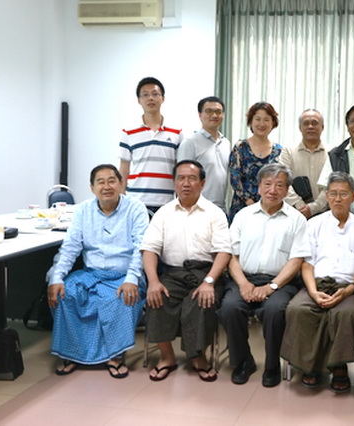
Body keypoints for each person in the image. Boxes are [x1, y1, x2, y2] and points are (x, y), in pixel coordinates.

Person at [47, 164, 149, 378]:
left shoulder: (135, 208)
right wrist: (57, 277)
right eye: (100, 182)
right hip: (92, 273)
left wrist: (132, 279)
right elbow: (70, 247)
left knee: (120, 298)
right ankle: (73, 354)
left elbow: (141, 249)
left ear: (121, 184)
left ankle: (114, 356)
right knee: (66, 293)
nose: (107, 186)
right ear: (92, 188)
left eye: (112, 181)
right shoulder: (83, 210)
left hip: (124, 274)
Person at [217, 163, 311, 388]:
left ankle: (272, 366)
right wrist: (243, 284)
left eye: (279, 185)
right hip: (244, 278)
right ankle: (243, 362)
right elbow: (231, 255)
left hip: (281, 281)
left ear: (287, 190)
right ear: (259, 187)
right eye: (267, 184)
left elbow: (296, 260)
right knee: (230, 308)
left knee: (275, 310)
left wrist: (272, 287)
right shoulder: (243, 215)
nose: (273, 190)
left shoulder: (297, 219)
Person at [281, 172, 354, 393]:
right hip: (316, 284)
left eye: (343, 194)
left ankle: (338, 366)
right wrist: (313, 292)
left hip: (349, 289)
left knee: (345, 314)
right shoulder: (314, 224)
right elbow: (307, 264)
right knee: (298, 309)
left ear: (353, 196)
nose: (338, 199)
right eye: (333, 194)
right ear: (327, 195)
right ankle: (309, 365)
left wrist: (348, 291)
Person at [140, 160, 232, 382]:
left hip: (206, 272)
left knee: (201, 302)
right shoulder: (164, 213)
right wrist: (153, 281)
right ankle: (167, 357)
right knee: (157, 298)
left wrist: (209, 282)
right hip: (173, 273)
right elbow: (149, 248)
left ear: (202, 183)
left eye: (192, 178)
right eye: (181, 178)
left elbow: (224, 252)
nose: (186, 183)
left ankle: (197, 357)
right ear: (174, 183)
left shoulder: (214, 213)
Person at [118, 77, 183, 213]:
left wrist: (180, 200)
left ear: (163, 98)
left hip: (166, 202)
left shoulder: (177, 133)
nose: (150, 98)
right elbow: (124, 170)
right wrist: (121, 200)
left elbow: (180, 170)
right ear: (139, 100)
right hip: (135, 201)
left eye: (155, 94)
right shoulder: (128, 133)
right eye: (145, 95)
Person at [228, 102, 282, 221]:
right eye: (258, 119)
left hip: (270, 206)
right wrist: (249, 202)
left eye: (266, 120)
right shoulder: (240, 147)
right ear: (251, 122)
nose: (262, 124)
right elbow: (235, 178)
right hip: (242, 205)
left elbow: (280, 180)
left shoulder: (278, 150)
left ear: (273, 123)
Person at [177, 96, 230, 211]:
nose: (214, 115)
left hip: (221, 208)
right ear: (200, 115)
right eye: (209, 111)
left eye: (218, 112)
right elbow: (181, 178)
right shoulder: (190, 142)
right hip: (197, 207)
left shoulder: (226, 143)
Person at [279, 109, 329, 219]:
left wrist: (314, 208)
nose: (310, 126)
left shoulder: (332, 153)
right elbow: (282, 181)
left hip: (325, 214)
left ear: (322, 127)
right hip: (293, 213)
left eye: (314, 123)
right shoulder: (288, 152)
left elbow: (332, 184)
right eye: (306, 123)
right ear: (300, 128)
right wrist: (300, 206)